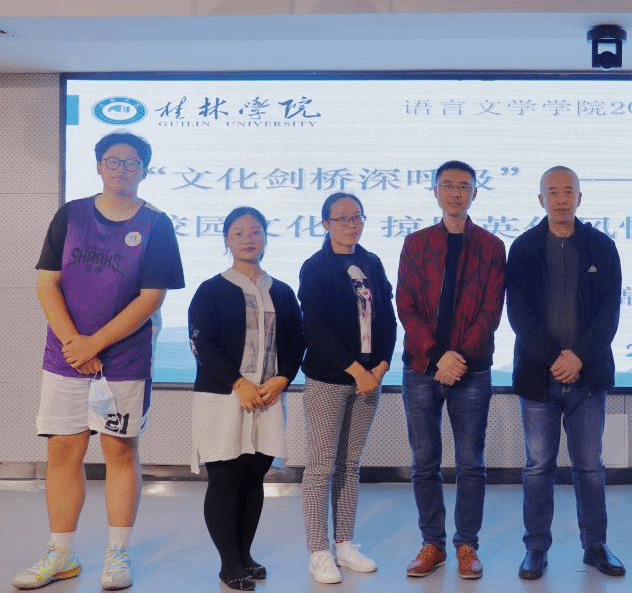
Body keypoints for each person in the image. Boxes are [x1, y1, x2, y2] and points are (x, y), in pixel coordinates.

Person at [13, 132, 184, 591]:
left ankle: (117, 553)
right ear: (98, 166)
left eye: (132, 163)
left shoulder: (156, 224)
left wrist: (95, 345)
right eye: (113, 161)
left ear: (145, 170)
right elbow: (47, 283)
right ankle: (61, 554)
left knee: (120, 452)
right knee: (62, 451)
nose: (122, 169)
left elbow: (151, 297)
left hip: (123, 359)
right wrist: (75, 343)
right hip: (65, 356)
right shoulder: (70, 215)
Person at [506, 165, 625, 580]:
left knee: (589, 466)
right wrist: (554, 357)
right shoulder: (524, 248)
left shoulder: (601, 247)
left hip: (587, 378)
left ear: (579, 197)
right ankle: (536, 548)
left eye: (568, 191)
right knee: (538, 466)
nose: (561, 199)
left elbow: (609, 312)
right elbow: (519, 312)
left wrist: (579, 358)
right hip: (538, 377)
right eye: (553, 192)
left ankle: (595, 546)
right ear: (541, 199)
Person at [396, 160, 506, 580]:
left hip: (471, 370)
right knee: (424, 461)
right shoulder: (416, 243)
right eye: (448, 185)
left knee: (470, 463)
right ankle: (432, 544)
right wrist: (437, 355)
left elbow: (491, 311)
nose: (456, 192)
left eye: (463, 186)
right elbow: (405, 304)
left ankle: (466, 545)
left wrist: (457, 358)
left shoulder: (492, 247)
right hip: (421, 368)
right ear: (436, 192)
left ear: (475, 193)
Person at [188, 207, 305, 591]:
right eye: (238, 233)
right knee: (225, 478)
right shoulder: (210, 290)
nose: (248, 239)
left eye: (255, 231)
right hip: (224, 397)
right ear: (226, 240)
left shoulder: (281, 291)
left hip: (268, 397)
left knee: (254, 477)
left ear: (266, 237)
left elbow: (296, 341)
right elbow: (204, 343)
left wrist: (284, 378)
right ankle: (229, 564)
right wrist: (238, 383)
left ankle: (245, 555)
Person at [298, 193, 397, 584]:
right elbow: (315, 329)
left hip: (370, 379)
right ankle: (318, 551)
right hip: (330, 379)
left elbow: (388, 317)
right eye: (341, 218)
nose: (351, 224)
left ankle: (345, 543)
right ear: (325, 224)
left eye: (356, 217)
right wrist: (356, 370)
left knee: (349, 464)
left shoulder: (371, 262)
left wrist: (383, 364)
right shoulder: (315, 267)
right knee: (322, 465)